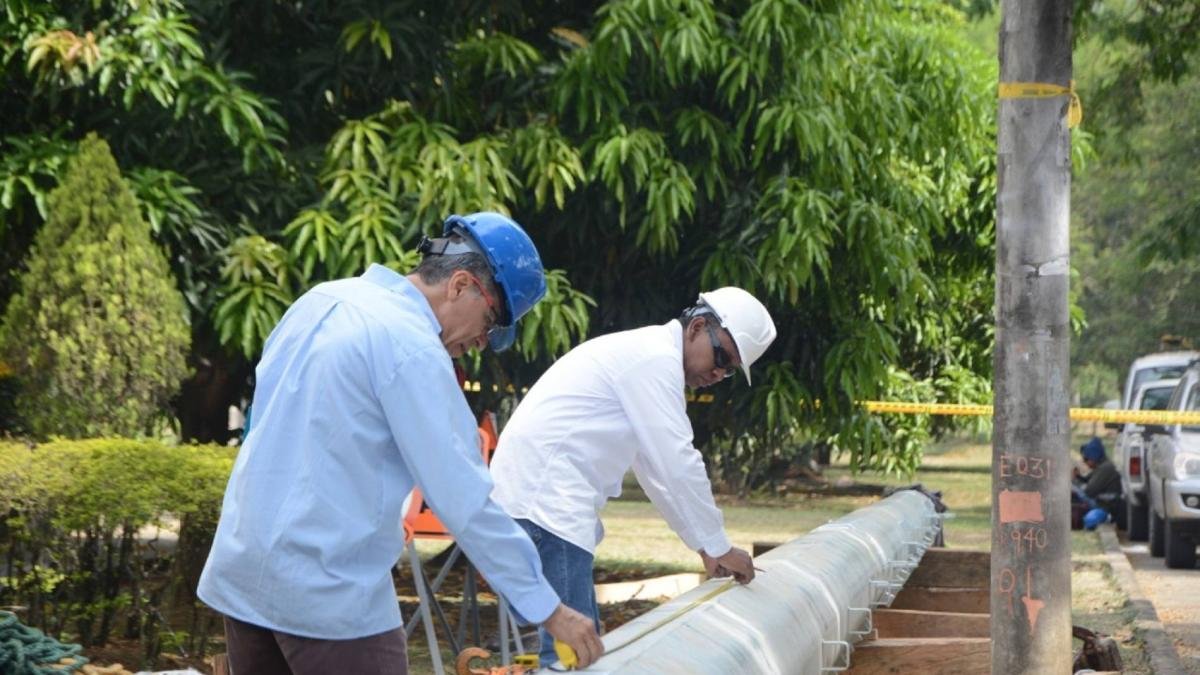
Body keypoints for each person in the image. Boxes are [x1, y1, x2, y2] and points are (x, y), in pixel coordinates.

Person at [196, 212, 604, 674]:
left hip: (244, 573)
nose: (483, 343)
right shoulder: (412, 347)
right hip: (325, 593)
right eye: (491, 322)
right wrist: (549, 608)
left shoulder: (321, 300)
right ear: (461, 285)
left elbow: (262, 427)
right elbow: (464, 497)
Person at [489, 288, 777, 668]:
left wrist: (705, 547)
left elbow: (656, 472)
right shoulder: (653, 361)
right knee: (573, 657)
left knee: (581, 649)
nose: (718, 373)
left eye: (729, 370)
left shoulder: (650, 360)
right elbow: (677, 463)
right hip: (545, 508)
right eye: (721, 357)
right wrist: (720, 545)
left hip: (545, 507)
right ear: (697, 327)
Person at [1071, 437, 1123, 530]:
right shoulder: (1102, 466)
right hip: (1102, 502)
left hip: (1105, 506)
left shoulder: (1105, 468)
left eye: (1086, 459)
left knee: (1072, 488)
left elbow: (1089, 491)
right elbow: (1088, 479)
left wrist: (1074, 483)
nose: (1084, 462)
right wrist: (1078, 477)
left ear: (1093, 457)